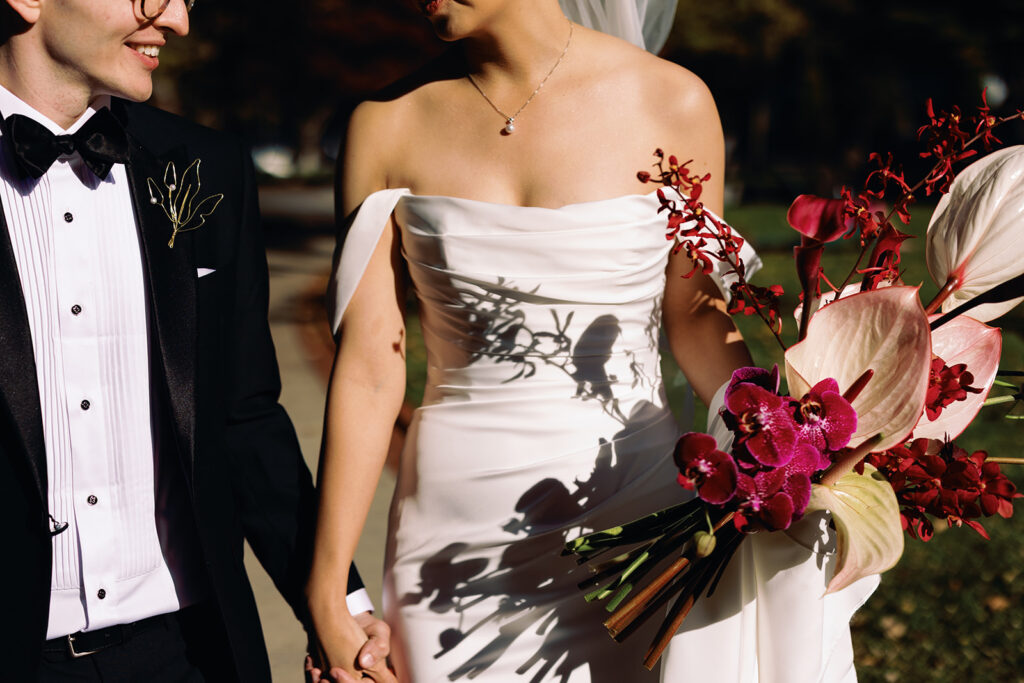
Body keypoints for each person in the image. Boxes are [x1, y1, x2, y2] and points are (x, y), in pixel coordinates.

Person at [308, 0, 875, 681]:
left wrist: (784, 450)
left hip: (634, 521)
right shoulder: (384, 124)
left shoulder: (674, 102)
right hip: (451, 545)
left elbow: (696, 319)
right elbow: (371, 364)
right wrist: (326, 588)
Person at [0, 0, 394, 680]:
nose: (178, 19)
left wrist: (337, 605)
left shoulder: (205, 165)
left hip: (192, 652)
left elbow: (244, 418)